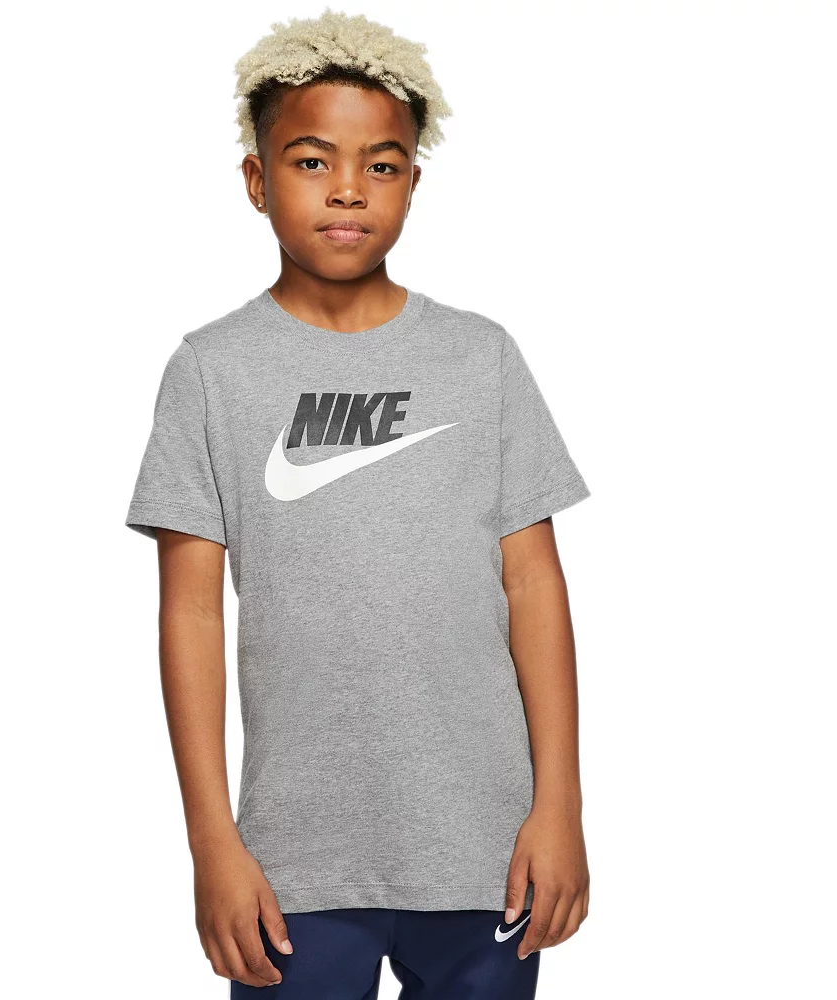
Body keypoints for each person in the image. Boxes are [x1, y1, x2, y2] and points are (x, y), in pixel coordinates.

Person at [125, 8, 591, 997]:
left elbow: (534, 585)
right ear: (257, 180)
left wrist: (561, 807)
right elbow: (191, 613)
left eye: (382, 165)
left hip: (485, 848)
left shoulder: (480, 357)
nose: (347, 188)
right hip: (291, 863)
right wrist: (212, 843)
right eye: (311, 161)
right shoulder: (211, 371)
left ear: (413, 182)